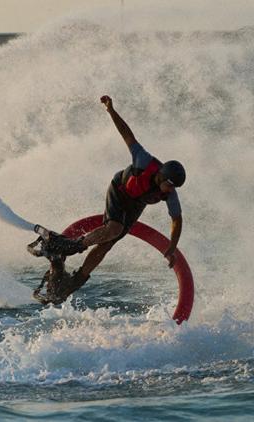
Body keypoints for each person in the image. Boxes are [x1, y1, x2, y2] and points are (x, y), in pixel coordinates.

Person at [33, 95, 186, 303]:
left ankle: (75, 281)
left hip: (135, 204)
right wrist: (111, 110)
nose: (170, 190)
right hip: (119, 190)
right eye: (169, 184)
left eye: (173, 187)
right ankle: (72, 245)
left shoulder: (170, 193)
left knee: (107, 244)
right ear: (162, 175)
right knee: (113, 228)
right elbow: (127, 134)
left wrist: (171, 248)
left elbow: (177, 219)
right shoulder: (143, 161)